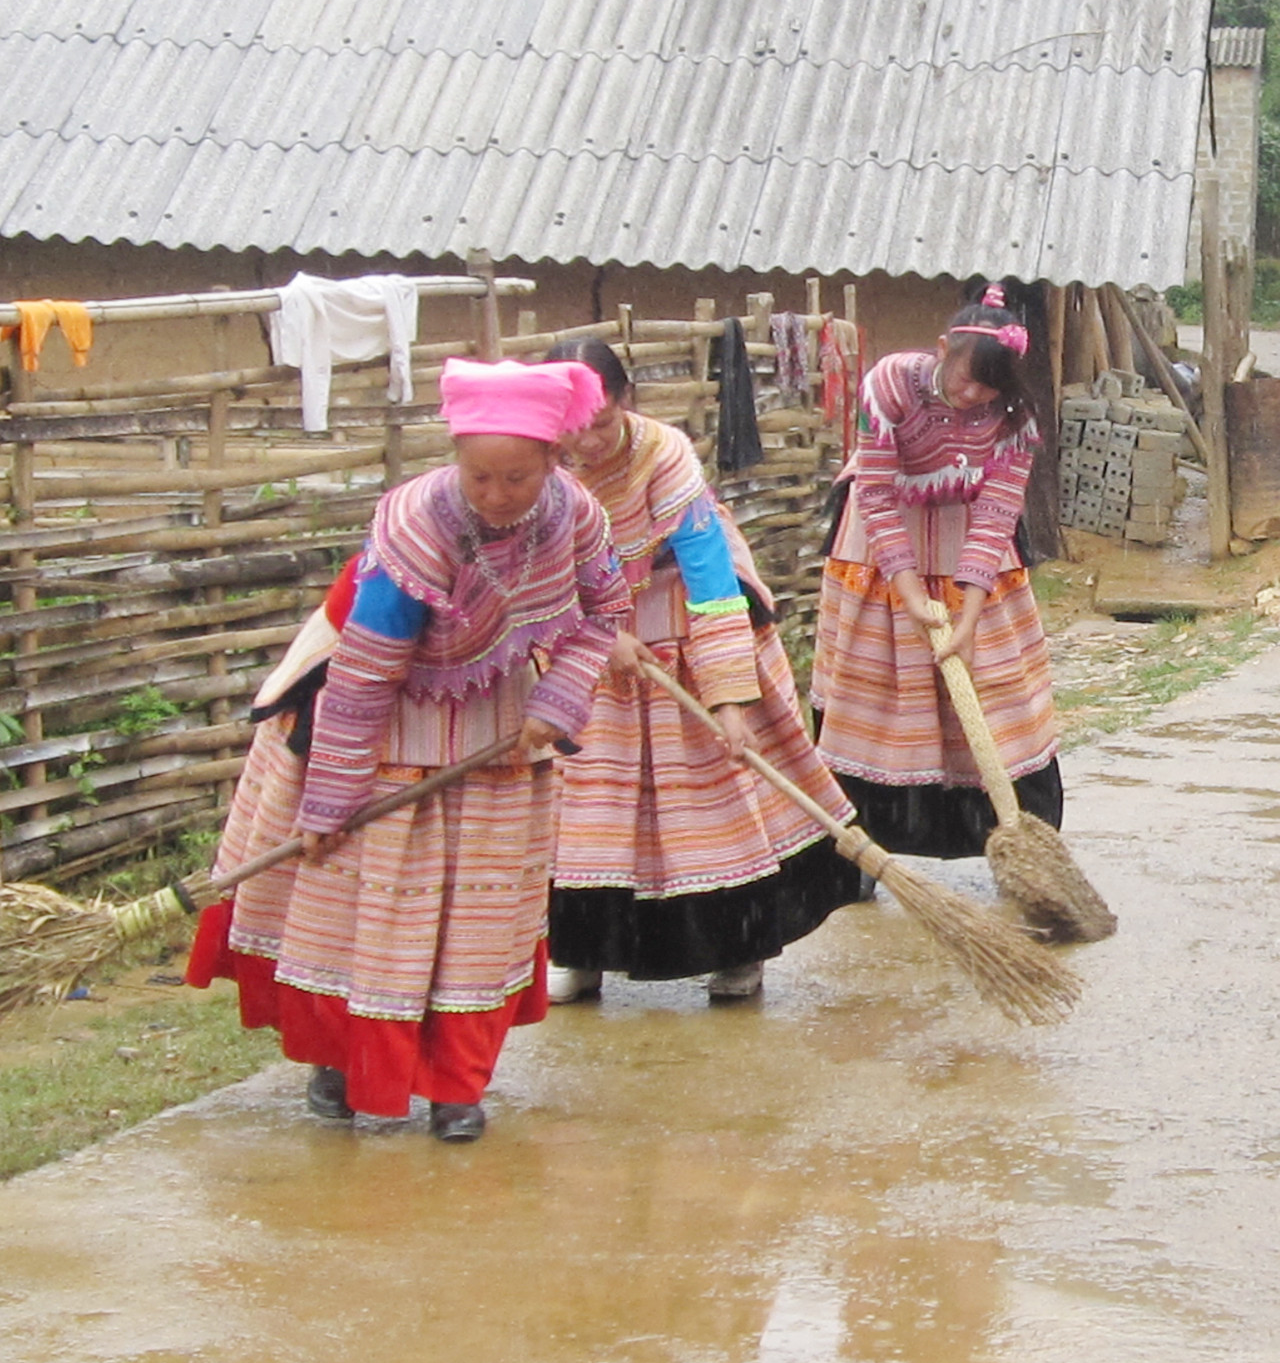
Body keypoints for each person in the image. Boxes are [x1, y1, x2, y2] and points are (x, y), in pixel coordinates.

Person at [186, 359, 629, 1141]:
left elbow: (605, 612)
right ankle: (342, 1063)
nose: (496, 495)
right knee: (365, 905)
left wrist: (559, 698)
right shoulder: (418, 527)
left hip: (498, 720)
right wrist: (332, 802)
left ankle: (458, 1086)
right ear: (455, 458)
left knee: (480, 912)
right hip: (382, 716)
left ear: (555, 460)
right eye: (479, 475)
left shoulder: (577, 515)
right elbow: (364, 675)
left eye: (517, 478)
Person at [540, 339, 862, 1005]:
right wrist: (598, 638)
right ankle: (584, 953)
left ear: (626, 402)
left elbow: (711, 579)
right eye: (575, 424)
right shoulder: (537, 467)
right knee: (591, 804)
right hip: (588, 637)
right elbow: (531, 581)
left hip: (684, 614)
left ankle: (737, 948)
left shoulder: (665, 457)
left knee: (714, 797)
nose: (589, 439)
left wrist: (726, 701)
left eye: (603, 420)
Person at [810, 288, 1061, 858]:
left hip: (967, 538)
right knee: (875, 690)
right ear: (943, 348)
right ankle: (861, 855)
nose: (972, 397)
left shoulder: (1015, 416)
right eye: (964, 379)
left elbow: (998, 514)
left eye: (987, 389)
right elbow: (875, 494)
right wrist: (907, 594)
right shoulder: (892, 382)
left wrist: (967, 617)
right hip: (878, 541)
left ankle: (1015, 844)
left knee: (995, 691)